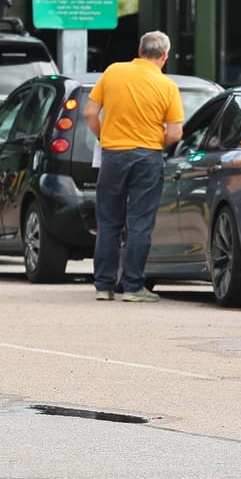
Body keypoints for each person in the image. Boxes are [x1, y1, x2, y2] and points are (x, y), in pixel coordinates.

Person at [84, 31, 185, 303]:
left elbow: (90, 113)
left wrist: (105, 138)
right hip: (147, 157)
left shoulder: (113, 72)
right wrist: (154, 144)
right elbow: (175, 134)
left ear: (139, 50)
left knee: (108, 223)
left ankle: (103, 286)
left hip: (113, 154)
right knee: (140, 223)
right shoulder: (167, 87)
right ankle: (132, 287)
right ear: (164, 56)